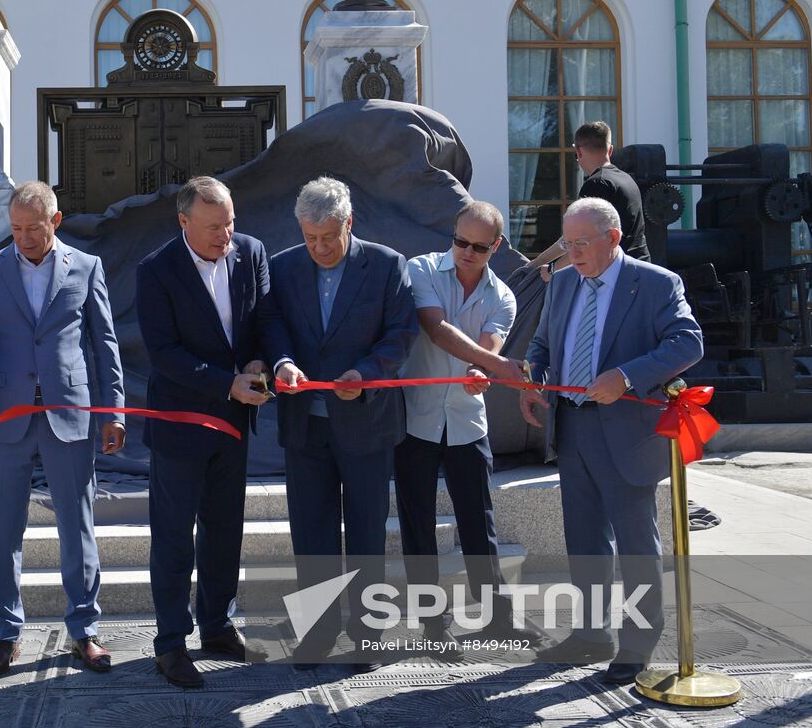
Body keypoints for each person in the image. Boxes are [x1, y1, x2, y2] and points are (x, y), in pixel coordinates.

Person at [0, 182, 125, 679]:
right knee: (4, 530)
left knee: (77, 526)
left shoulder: (86, 268)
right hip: (6, 416)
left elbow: (105, 344)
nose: (22, 238)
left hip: (71, 414)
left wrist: (115, 412)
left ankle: (84, 631)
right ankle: (5, 635)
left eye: (33, 229)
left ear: (56, 221)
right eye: (16, 228)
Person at [520, 197, 702, 685]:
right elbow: (542, 345)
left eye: (581, 243)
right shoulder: (560, 283)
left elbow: (688, 342)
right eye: (567, 243)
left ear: (613, 238)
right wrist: (534, 380)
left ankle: (638, 642)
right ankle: (590, 633)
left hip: (627, 431)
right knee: (583, 538)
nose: (572, 253)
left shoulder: (656, 283)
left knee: (635, 540)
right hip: (574, 427)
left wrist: (625, 376)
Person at [261, 177, 417, 670]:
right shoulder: (283, 267)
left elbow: (400, 335)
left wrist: (367, 375)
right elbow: (271, 327)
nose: (320, 248)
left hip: (367, 422)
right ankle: (317, 633)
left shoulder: (387, 265)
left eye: (329, 237)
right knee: (312, 533)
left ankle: (367, 634)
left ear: (349, 223)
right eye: (310, 238)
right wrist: (283, 362)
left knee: (367, 532)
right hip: (306, 424)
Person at [136, 176, 274, 689]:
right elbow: (164, 353)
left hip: (234, 426)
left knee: (224, 532)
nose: (227, 235)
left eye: (231, 222)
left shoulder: (251, 252)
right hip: (181, 426)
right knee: (173, 539)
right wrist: (226, 385)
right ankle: (170, 642)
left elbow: (264, 320)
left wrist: (259, 360)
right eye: (215, 227)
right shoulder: (156, 271)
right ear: (184, 222)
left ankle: (217, 625)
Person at [397, 201, 541, 655]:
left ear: (496, 246)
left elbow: (490, 342)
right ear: (453, 233)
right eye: (461, 241)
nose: (467, 252)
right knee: (417, 523)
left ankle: (497, 618)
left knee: (479, 523)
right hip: (416, 418)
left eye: (479, 247)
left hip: (466, 422)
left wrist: (484, 366)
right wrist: (493, 364)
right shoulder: (420, 269)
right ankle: (431, 626)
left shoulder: (503, 295)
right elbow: (436, 328)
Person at [529, 121, 650, 279]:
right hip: (639, 268)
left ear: (578, 152)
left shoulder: (597, 183)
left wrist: (552, 270)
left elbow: (580, 239)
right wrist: (540, 261)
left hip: (616, 275)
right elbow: (571, 239)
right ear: (610, 150)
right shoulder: (626, 179)